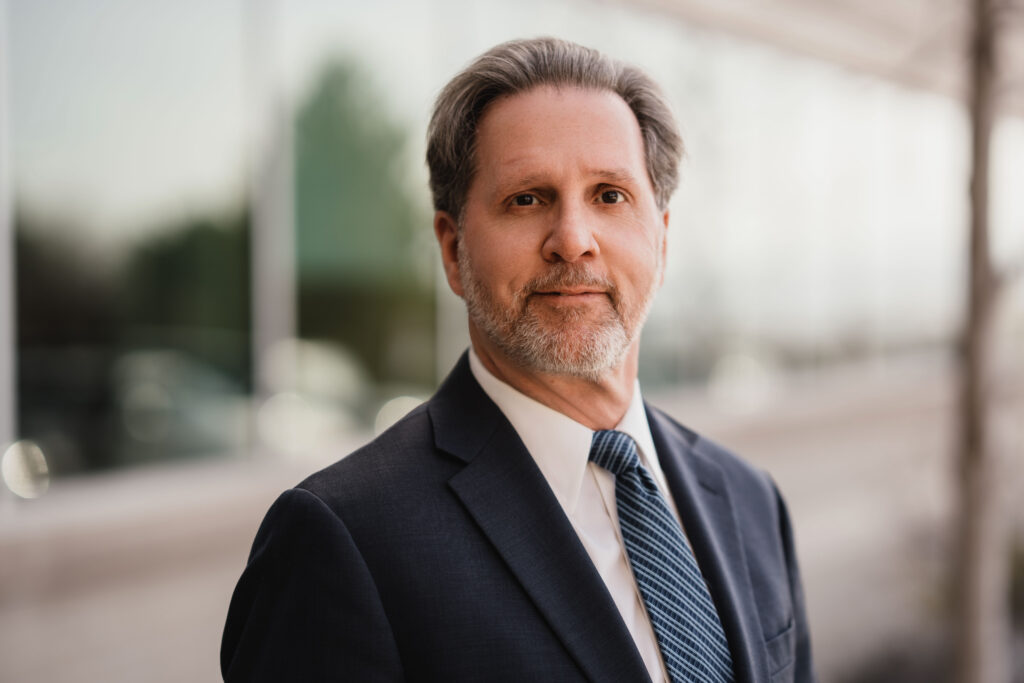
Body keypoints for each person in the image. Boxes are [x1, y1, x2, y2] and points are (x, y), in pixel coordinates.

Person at [221, 37, 815, 683]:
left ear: (663, 240)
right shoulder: (343, 541)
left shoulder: (751, 500)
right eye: (527, 198)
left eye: (610, 195)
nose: (573, 240)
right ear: (453, 251)